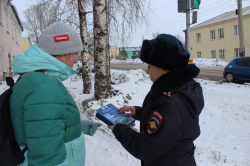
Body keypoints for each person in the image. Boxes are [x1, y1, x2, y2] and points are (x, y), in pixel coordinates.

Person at [10, 22, 101, 166]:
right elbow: (45, 157)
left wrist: (76, 125)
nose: (76, 59)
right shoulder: (43, 87)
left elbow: (41, 127)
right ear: (62, 51)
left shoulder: (37, 78)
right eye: (75, 53)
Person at [108, 34, 204, 166]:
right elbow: (171, 122)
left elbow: (144, 148)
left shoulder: (169, 102)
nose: (147, 72)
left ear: (164, 68)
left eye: (149, 66)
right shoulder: (181, 88)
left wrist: (119, 129)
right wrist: (138, 112)